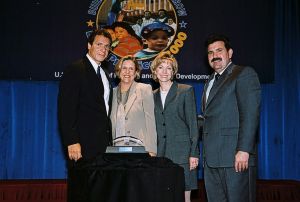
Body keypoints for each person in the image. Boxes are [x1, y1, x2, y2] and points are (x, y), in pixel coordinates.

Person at [201, 34, 261, 202]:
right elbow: (208, 119)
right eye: (210, 53)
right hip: (212, 160)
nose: (215, 56)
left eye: (219, 50)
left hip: (235, 158)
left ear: (230, 53)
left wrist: (243, 150)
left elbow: (250, 114)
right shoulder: (209, 81)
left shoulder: (243, 74)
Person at [58, 29, 112, 202]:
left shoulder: (104, 74)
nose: (103, 49)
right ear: (89, 45)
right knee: (81, 194)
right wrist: (72, 141)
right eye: (99, 44)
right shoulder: (76, 69)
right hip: (82, 147)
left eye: (107, 46)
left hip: (101, 148)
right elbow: (66, 109)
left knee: (98, 194)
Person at [151, 52, 199, 202]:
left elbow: (193, 124)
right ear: (155, 71)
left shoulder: (185, 91)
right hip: (160, 155)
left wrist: (194, 153)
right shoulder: (151, 95)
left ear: (173, 71)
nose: (164, 71)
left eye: (169, 68)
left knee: (184, 197)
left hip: (182, 154)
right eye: (161, 67)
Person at [110, 55, 157, 156]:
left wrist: (152, 149)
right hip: (116, 150)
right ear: (118, 71)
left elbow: (151, 121)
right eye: (124, 68)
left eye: (131, 69)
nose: (127, 72)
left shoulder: (144, 89)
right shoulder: (111, 93)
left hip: (140, 149)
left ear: (136, 72)